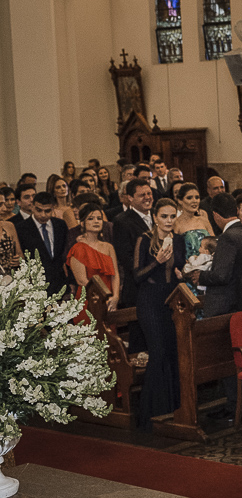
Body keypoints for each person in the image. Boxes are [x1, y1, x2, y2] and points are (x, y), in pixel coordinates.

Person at [132, 197, 186, 429]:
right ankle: (149, 414)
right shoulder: (144, 240)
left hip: (171, 299)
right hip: (150, 300)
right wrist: (157, 261)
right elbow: (136, 275)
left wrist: (182, 272)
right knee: (158, 351)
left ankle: (172, 408)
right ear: (155, 217)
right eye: (164, 216)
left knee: (173, 351)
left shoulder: (179, 239)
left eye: (172, 216)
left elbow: (179, 267)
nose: (168, 220)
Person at [189, 192, 242, 318]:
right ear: (236, 210)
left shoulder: (227, 237)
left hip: (224, 306)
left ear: (215, 215)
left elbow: (221, 275)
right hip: (239, 300)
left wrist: (201, 275)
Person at [65, 202, 119, 322]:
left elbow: (115, 275)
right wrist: (103, 296)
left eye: (99, 218)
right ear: (82, 223)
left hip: (109, 300)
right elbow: (82, 280)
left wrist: (115, 297)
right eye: (91, 218)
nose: (96, 221)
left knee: (110, 338)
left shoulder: (108, 247)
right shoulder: (77, 248)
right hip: (89, 300)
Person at [15, 192, 70, 297]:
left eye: (47, 211)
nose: (43, 215)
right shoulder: (21, 228)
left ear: (53, 208)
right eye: (39, 210)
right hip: (35, 285)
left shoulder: (60, 225)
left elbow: (64, 252)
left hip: (60, 283)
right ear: (32, 207)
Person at [113, 179, 155, 308]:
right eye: (142, 195)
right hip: (138, 287)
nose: (147, 198)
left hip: (161, 286)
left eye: (149, 193)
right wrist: (150, 273)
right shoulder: (122, 221)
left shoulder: (158, 215)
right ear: (130, 198)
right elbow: (126, 257)